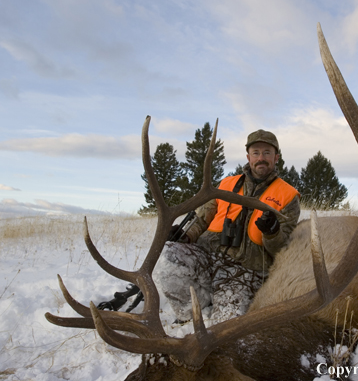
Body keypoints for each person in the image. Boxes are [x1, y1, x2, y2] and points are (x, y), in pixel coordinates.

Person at [100, 129, 301, 323]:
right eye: (256, 152)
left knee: (226, 326)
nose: (261, 158)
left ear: (276, 157)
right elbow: (202, 219)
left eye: (267, 152)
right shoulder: (226, 184)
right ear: (248, 157)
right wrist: (186, 236)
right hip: (209, 258)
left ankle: (218, 306)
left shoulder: (288, 196)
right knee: (169, 255)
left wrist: (272, 232)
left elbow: (282, 250)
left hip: (246, 272)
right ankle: (191, 312)